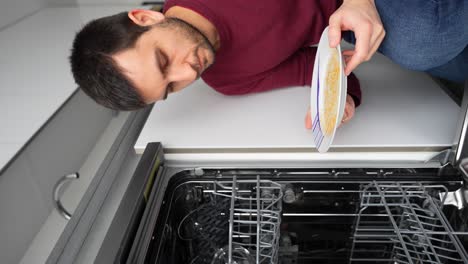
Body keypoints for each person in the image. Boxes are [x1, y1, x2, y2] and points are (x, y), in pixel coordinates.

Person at [69, 0, 467, 130]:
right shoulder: (227, 79)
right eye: (170, 87)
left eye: (163, 60)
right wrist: (340, 98)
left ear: (145, 18)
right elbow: (316, 65)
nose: (187, 73)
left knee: (422, 42)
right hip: (352, 23)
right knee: (455, 64)